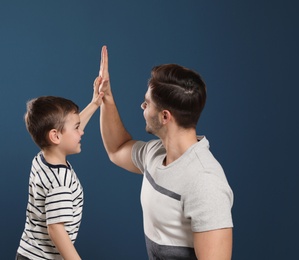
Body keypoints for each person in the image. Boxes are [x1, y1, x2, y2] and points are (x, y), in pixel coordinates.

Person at [95, 46, 234, 260]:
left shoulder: (206, 182)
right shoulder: (156, 152)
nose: (142, 107)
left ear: (164, 116)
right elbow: (117, 149)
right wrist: (107, 98)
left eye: (147, 104)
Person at [16, 84, 104, 260]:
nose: (82, 131)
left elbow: (67, 133)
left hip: (27, 252)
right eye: (77, 128)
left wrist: (95, 103)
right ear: (55, 136)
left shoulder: (42, 158)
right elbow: (56, 230)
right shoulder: (60, 182)